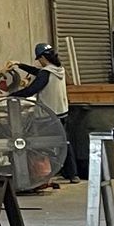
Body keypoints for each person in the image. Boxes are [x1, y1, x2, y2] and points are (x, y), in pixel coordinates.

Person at [17, 43, 84, 180]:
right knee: (64, 142)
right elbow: (38, 72)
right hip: (62, 112)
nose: (39, 62)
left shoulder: (46, 73)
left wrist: (11, 96)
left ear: (43, 58)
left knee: (41, 144)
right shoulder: (59, 70)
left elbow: (31, 90)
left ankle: (44, 172)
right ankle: (72, 174)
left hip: (47, 116)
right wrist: (19, 65)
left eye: (39, 59)